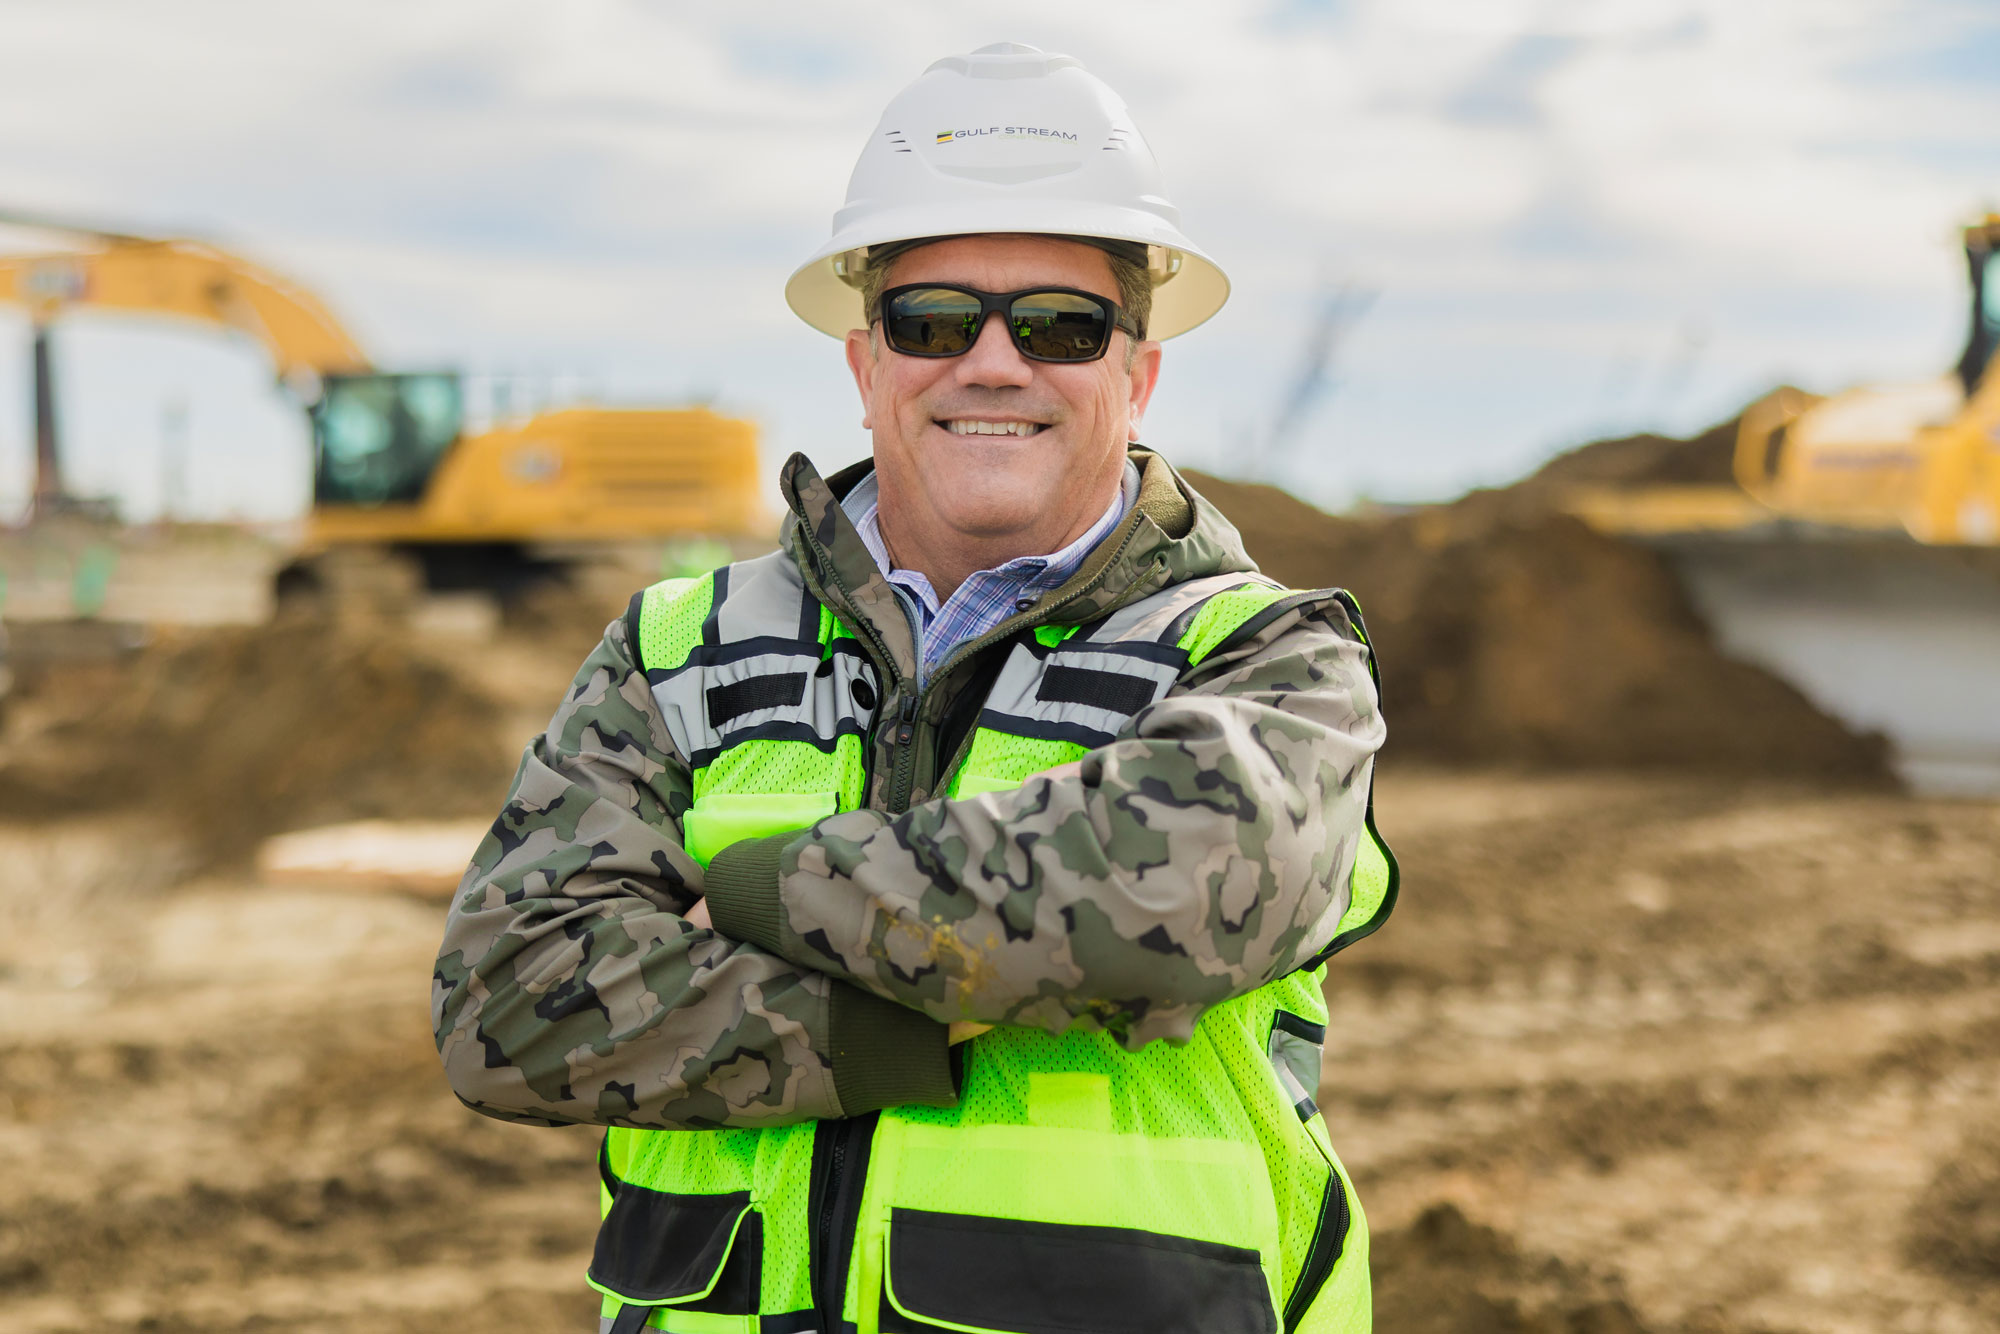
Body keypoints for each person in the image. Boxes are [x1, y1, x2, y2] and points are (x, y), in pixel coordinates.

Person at [433, 41, 1396, 1334]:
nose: (992, 364)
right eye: (933, 319)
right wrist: (928, 1015)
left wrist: (745, 891)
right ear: (864, 359)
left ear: (1137, 370)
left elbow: (1173, 899)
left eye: (1060, 323)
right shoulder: (681, 644)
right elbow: (509, 1005)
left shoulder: (1266, 654)